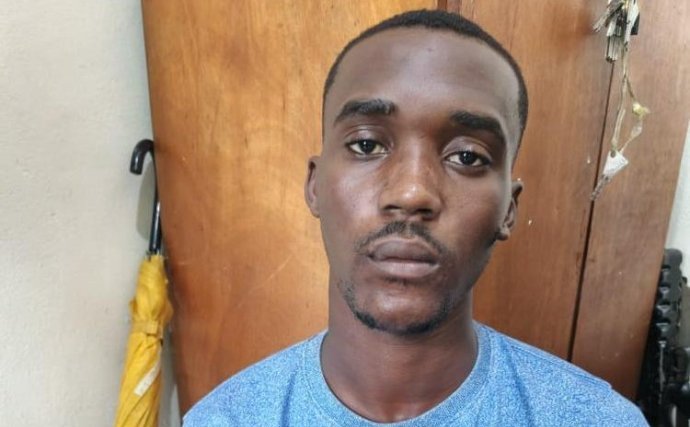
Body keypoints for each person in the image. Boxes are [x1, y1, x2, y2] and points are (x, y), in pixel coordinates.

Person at [184, 9, 647, 426]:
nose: (411, 193)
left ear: (509, 209)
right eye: (367, 145)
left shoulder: (597, 420)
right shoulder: (223, 420)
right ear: (315, 185)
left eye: (467, 156)